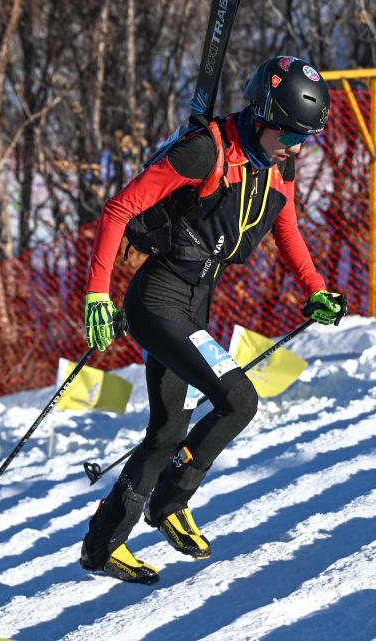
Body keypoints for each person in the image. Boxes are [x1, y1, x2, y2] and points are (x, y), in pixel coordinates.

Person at [78, 56, 347, 585]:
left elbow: (286, 228)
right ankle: (169, 503)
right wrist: (96, 294)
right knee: (238, 399)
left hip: (196, 300)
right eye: (291, 134)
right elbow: (118, 210)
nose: (296, 147)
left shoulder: (278, 165)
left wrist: (316, 289)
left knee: (167, 430)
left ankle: (102, 546)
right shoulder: (205, 151)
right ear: (263, 116)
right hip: (158, 300)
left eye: (306, 138)